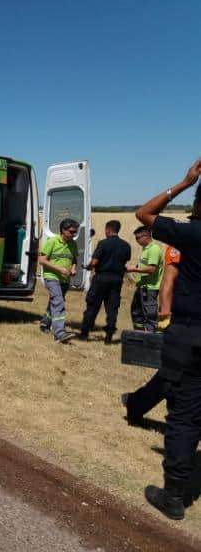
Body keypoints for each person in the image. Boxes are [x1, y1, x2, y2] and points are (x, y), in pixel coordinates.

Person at [134, 156, 201, 520]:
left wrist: (184, 182)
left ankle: (174, 495)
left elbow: (144, 214)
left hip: (190, 334)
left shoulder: (191, 233)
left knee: (184, 416)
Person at [121, 245, 181, 425]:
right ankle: (140, 404)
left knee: (177, 372)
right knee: (176, 371)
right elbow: (169, 280)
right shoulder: (180, 246)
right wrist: (165, 313)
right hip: (187, 319)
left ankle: (138, 403)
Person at [78, 220, 131, 343]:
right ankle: (109, 337)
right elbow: (125, 261)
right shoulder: (126, 245)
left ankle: (84, 333)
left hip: (101, 278)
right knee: (112, 308)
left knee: (92, 306)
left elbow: (95, 262)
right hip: (117, 279)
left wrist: (88, 267)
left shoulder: (103, 243)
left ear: (108, 229)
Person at [38, 218, 79, 343]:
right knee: (59, 302)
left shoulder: (73, 243)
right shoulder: (52, 242)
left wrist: (73, 269)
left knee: (55, 302)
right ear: (63, 230)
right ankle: (60, 333)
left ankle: (45, 323)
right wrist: (60, 269)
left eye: (75, 232)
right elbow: (42, 260)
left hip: (65, 279)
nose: (74, 235)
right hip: (51, 277)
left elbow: (74, 260)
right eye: (71, 232)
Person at [127, 226, 163, 332]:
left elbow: (151, 269)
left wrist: (133, 269)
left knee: (149, 314)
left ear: (146, 236)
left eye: (138, 238)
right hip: (142, 286)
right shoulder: (145, 248)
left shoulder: (154, 249)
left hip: (150, 288)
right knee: (136, 312)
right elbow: (142, 266)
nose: (136, 241)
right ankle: (140, 334)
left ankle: (151, 338)